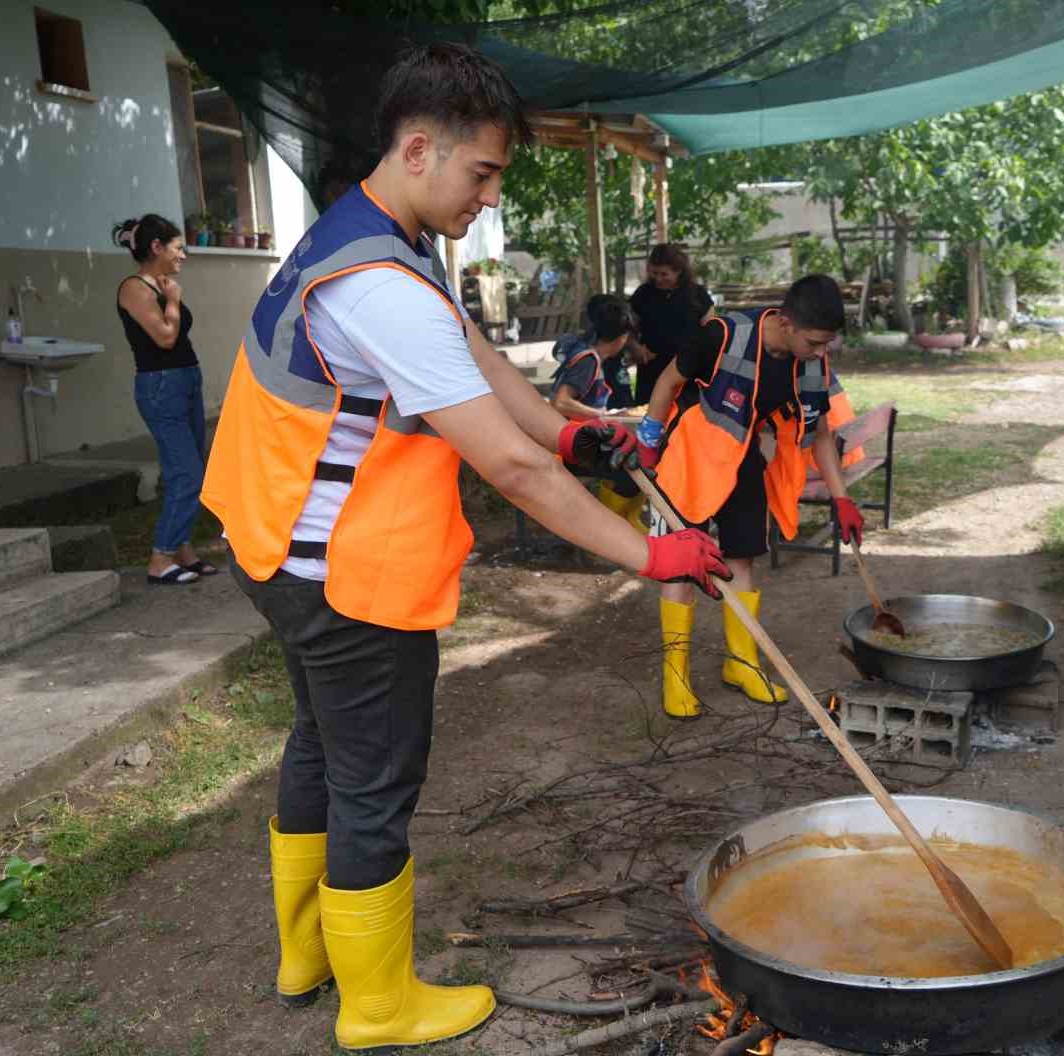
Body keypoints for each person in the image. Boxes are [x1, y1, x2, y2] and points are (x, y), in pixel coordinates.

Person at [200, 44, 729, 1054]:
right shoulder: (382, 285)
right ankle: (379, 1005)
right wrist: (648, 557)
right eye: (480, 174)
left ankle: (306, 953)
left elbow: (478, 367)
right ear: (415, 148)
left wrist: (570, 432)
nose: (487, 200)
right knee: (374, 781)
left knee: (320, 747)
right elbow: (510, 472)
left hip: (276, 554)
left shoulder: (363, 242)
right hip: (347, 579)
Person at [630, 275, 858, 719]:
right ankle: (675, 674)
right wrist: (649, 437)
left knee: (742, 558)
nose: (821, 353)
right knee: (680, 562)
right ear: (787, 324)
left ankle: (742, 663)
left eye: (828, 344)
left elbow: (821, 434)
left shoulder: (810, 364)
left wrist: (841, 498)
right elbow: (667, 381)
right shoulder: (722, 336)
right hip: (692, 456)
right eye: (814, 342)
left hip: (741, 457)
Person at [112, 214, 215, 586]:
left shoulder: (160, 284)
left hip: (186, 380)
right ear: (156, 247)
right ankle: (160, 557)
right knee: (188, 472)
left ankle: (181, 550)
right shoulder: (134, 288)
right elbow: (165, 338)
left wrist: (169, 294)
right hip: (161, 387)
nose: (183, 255)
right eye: (177, 247)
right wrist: (172, 300)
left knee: (186, 469)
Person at [549, 296, 647, 532]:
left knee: (639, 461)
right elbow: (561, 402)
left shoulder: (588, 355)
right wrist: (603, 417)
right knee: (633, 470)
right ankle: (606, 528)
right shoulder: (588, 361)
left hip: (579, 441)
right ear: (621, 338)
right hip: (569, 447)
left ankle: (626, 521)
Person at [630, 243, 713, 405]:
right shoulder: (643, 294)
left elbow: (711, 331)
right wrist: (635, 347)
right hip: (652, 369)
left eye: (664, 274)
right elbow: (627, 329)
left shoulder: (697, 295)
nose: (658, 279)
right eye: (654, 273)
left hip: (688, 370)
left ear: (679, 271)